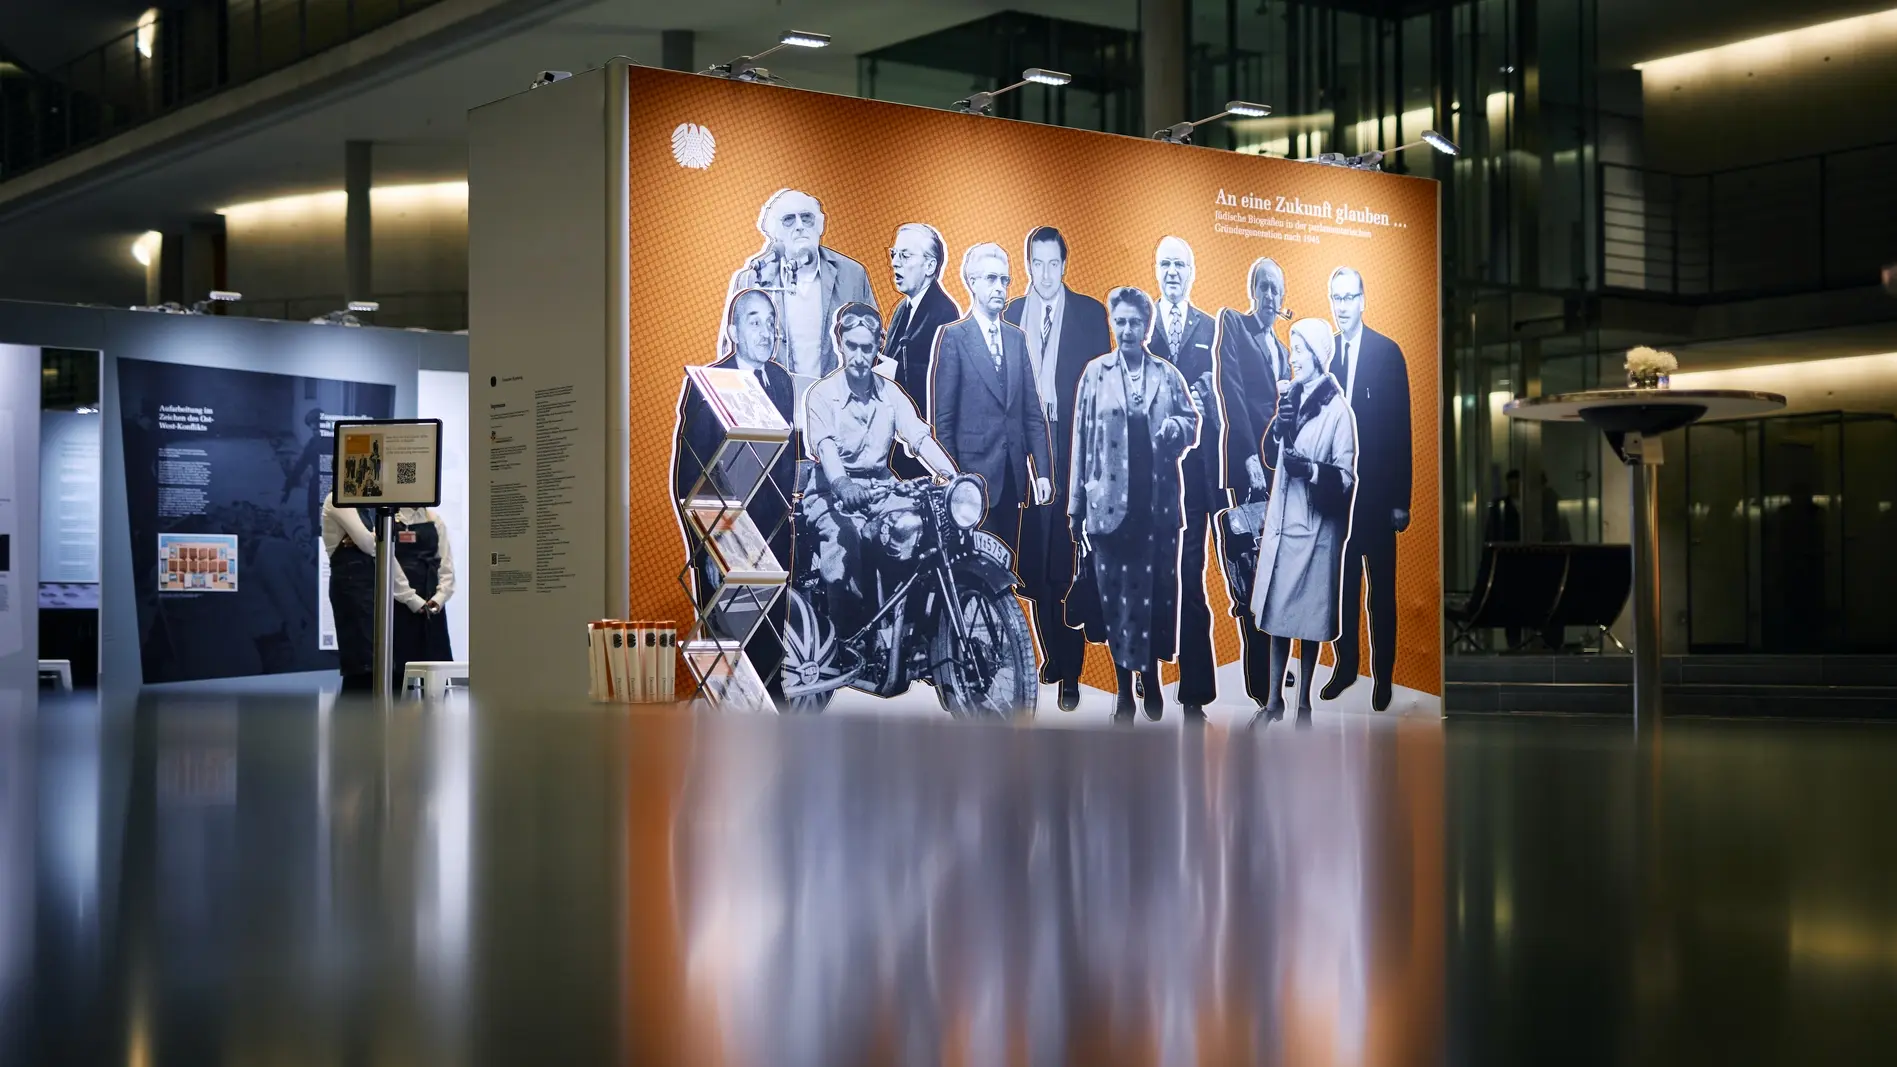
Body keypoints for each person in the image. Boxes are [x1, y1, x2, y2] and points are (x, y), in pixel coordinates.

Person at [1068, 287, 1201, 722]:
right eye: (1120, 321)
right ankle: (1125, 688)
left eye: (1136, 323)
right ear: (1112, 323)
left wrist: (1175, 431)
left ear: (1148, 327)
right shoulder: (1094, 373)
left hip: (1157, 507)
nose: (1127, 330)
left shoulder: (1166, 374)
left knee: (1154, 600)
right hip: (1108, 506)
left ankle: (1153, 680)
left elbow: (1191, 423)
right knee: (1116, 601)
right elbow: (1081, 441)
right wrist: (1075, 507)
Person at [1002, 226, 1111, 713]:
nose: (1044, 274)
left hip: (1074, 456)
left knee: (1067, 567)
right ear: (1028, 265)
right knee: (1036, 570)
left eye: (1053, 264)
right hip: (1027, 459)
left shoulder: (1090, 315)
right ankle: (1051, 652)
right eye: (1036, 264)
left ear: (1065, 265)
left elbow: (1104, 396)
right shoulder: (1009, 316)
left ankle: (1070, 672)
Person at [801, 303, 958, 638]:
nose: (859, 357)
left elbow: (918, 436)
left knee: (920, 527)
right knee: (848, 542)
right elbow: (826, 449)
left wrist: (953, 476)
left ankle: (913, 626)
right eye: (852, 347)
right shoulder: (822, 395)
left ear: (878, 348)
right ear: (840, 345)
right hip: (830, 493)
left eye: (867, 348)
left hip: (882, 490)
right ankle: (845, 636)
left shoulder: (891, 394)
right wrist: (842, 483)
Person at [675, 288, 798, 699]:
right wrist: (711, 548)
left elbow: (785, 461)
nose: (766, 332)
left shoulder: (781, 382)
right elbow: (689, 477)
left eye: (771, 322)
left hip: (772, 541)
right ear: (733, 331)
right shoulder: (710, 386)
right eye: (754, 321)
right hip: (726, 543)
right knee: (727, 663)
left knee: (769, 661)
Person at [1249, 318, 1357, 725]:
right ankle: (1274, 702)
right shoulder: (1291, 400)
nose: (1292, 358)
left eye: (1298, 351)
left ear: (1316, 355)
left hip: (1314, 531)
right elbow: (1268, 455)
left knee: (1308, 620)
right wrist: (1277, 428)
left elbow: (1345, 477)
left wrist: (1310, 471)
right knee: (1278, 617)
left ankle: (1304, 704)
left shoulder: (1338, 412)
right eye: (1292, 351)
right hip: (1283, 526)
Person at [1320, 266, 1412, 711]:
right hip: (1340, 499)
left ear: (1363, 299)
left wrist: (1402, 500)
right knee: (1344, 590)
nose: (1341, 307)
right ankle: (1346, 667)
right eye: (1335, 298)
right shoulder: (1327, 355)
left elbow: (1401, 430)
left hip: (1378, 499)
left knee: (1382, 593)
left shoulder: (1387, 352)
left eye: (1349, 297)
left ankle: (1384, 676)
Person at [929, 243, 1053, 555]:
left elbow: (1032, 414)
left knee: (1004, 566)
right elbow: (943, 421)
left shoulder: (1016, 338)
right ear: (971, 282)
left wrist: (1043, 472)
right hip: (970, 481)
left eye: (1005, 280)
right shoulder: (954, 337)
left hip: (1011, 479)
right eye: (991, 279)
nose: (1000, 288)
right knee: (972, 571)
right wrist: (952, 479)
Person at [1215, 257, 1293, 708]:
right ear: (1252, 290)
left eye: (1276, 290)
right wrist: (1247, 459)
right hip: (1251, 474)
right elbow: (1233, 392)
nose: (1269, 296)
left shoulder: (1284, 350)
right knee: (1251, 571)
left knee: (1280, 572)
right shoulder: (1234, 325)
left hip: (1283, 474)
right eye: (1262, 287)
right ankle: (1258, 681)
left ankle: (1274, 670)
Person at [1147, 236, 1220, 717]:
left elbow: (1220, 406)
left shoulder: (1211, 328)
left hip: (1193, 478)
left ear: (1193, 271)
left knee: (1191, 579)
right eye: (1166, 264)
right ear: (1156, 270)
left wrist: (1207, 397)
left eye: (1181, 264)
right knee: (1149, 577)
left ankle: (1195, 691)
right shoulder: (1138, 322)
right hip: (1148, 477)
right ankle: (1147, 681)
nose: (1173, 271)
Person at [726, 188, 874, 425]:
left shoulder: (852, 275)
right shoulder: (754, 279)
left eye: (806, 218)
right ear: (776, 233)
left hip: (838, 413)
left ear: (819, 226)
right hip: (772, 410)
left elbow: (874, 342)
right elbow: (733, 352)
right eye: (788, 220)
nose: (799, 226)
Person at [322, 498, 438, 692]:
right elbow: (369, 544)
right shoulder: (337, 501)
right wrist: (374, 537)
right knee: (362, 665)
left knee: (379, 664)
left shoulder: (364, 509)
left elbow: (382, 552)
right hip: (351, 591)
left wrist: (410, 597)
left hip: (371, 590)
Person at [390, 506, 456, 683]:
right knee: (400, 674)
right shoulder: (389, 522)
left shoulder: (435, 520)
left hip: (432, 605)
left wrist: (439, 599)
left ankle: (439, 711)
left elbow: (446, 565)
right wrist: (412, 599)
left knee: (437, 673)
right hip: (400, 606)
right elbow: (389, 566)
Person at [1485, 469, 1523, 543]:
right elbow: (1492, 531)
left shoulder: (1530, 505)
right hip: (1506, 548)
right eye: (1511, 486)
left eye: (1516, 486)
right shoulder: (1498, 506)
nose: (1514, 489)